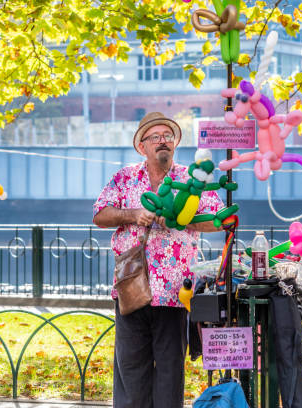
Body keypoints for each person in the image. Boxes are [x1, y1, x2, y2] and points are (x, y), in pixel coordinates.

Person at [93, 112, 224, 408]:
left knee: (169, 372)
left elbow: (217, 220)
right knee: (130, 371)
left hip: (175, 291)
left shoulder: (192, 180)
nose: (163, 140)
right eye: (155, 136)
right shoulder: (124, 177)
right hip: (132, 288)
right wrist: (132, 215)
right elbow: (100, 214)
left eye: (168, 136)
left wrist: (181, 220)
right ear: (142, 146)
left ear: (175, 144)